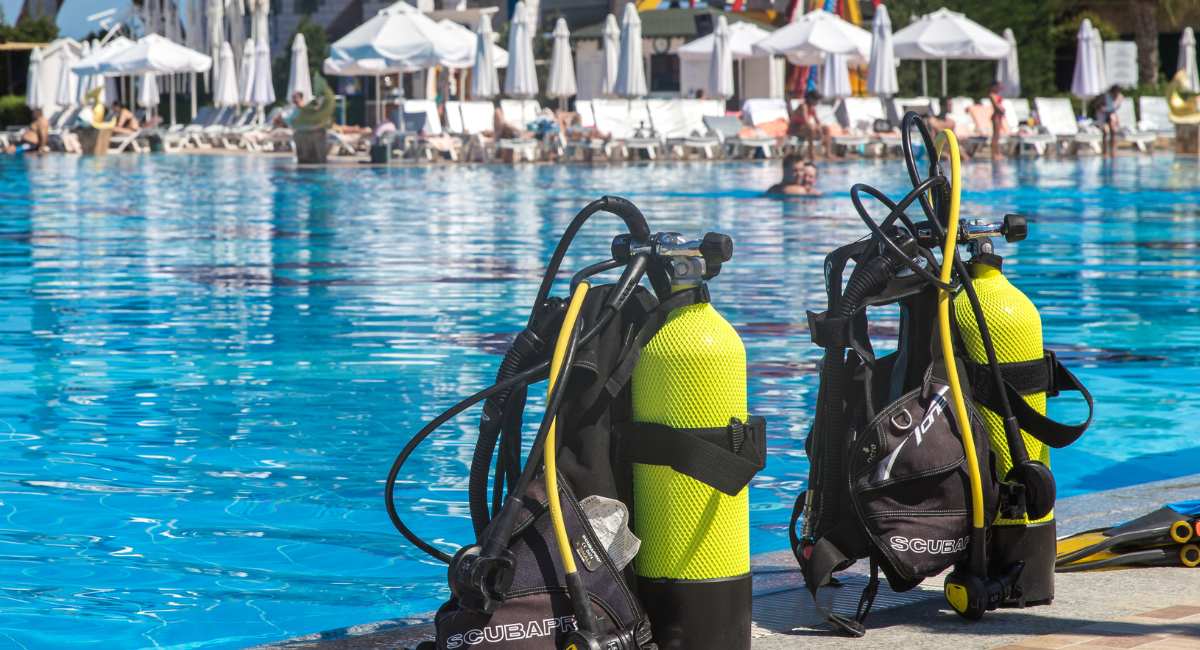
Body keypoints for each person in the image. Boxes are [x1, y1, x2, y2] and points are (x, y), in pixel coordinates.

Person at [1095, 85, 1123, 157]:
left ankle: (1113, 150)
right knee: (1105, 132)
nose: (1117, 94)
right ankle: (1104, 151)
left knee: (1113, 131)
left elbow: (1114, 109)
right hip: (1102, 115)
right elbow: (1099, 107)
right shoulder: (1104, 96)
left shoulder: (1118, 97)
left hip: (1110, 114)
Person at [987, 82, 1007, 159]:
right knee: (995, 136)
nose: (998, 88)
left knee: (997, 136)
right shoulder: (991, 95)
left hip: (999, 116)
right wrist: (1002, 110)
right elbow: (996, 106)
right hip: (996, 117)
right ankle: (994, 154)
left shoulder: (996, 94)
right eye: (997, 87)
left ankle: (997, 153)